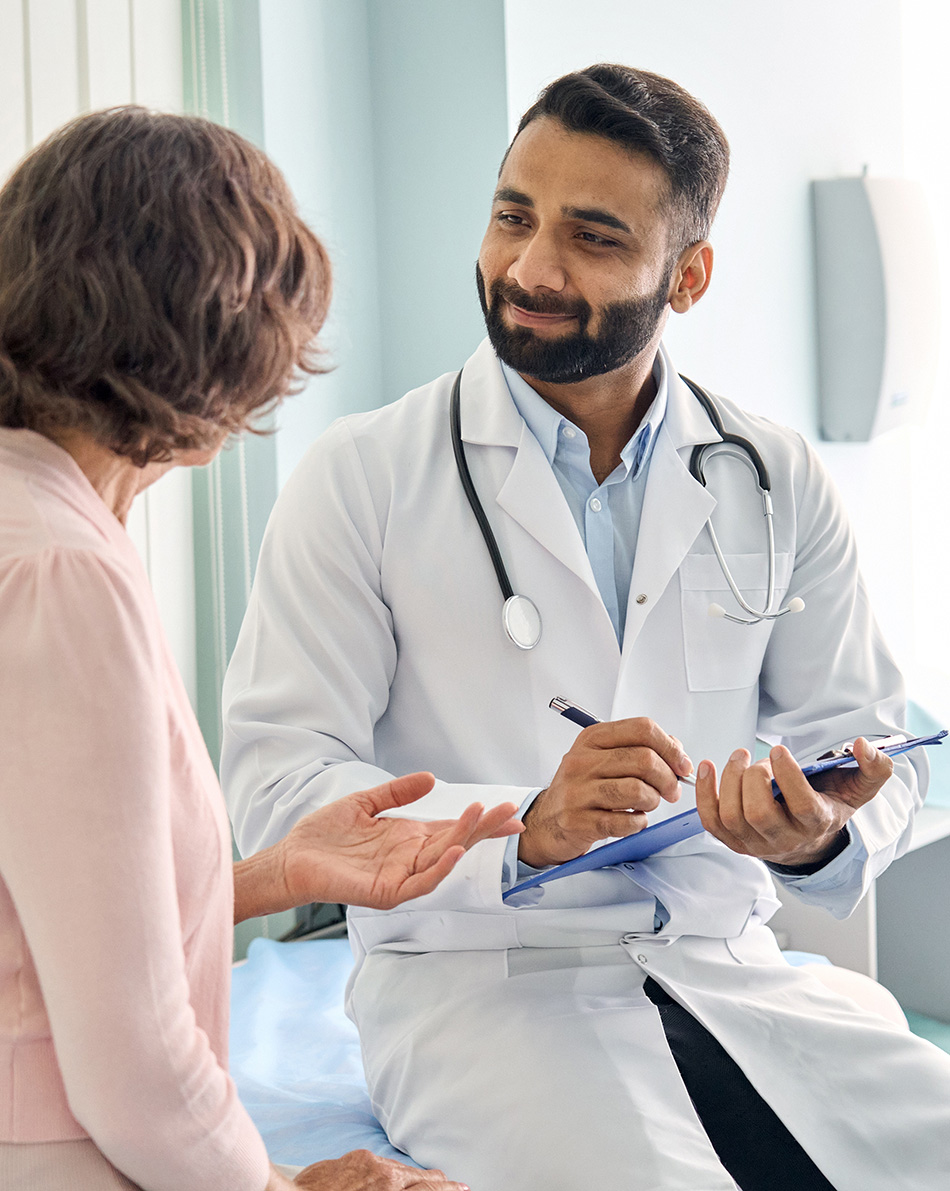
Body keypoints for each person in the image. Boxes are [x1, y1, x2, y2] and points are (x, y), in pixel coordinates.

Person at [221, 65, 950, 1191]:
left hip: (723, 961)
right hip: (476, 984)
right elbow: (275, 785)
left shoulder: (771, 476)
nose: (529, 268)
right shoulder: (361, 479)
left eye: (593, 237)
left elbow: (863, 743)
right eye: (512, 215)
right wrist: (524, 827)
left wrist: (809, 832)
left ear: (688, 276)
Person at [0, 107, 524, 1191]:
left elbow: (43, 913)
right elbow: (134, 1072)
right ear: (216, 358)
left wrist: (273, 875)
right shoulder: (62, 574)